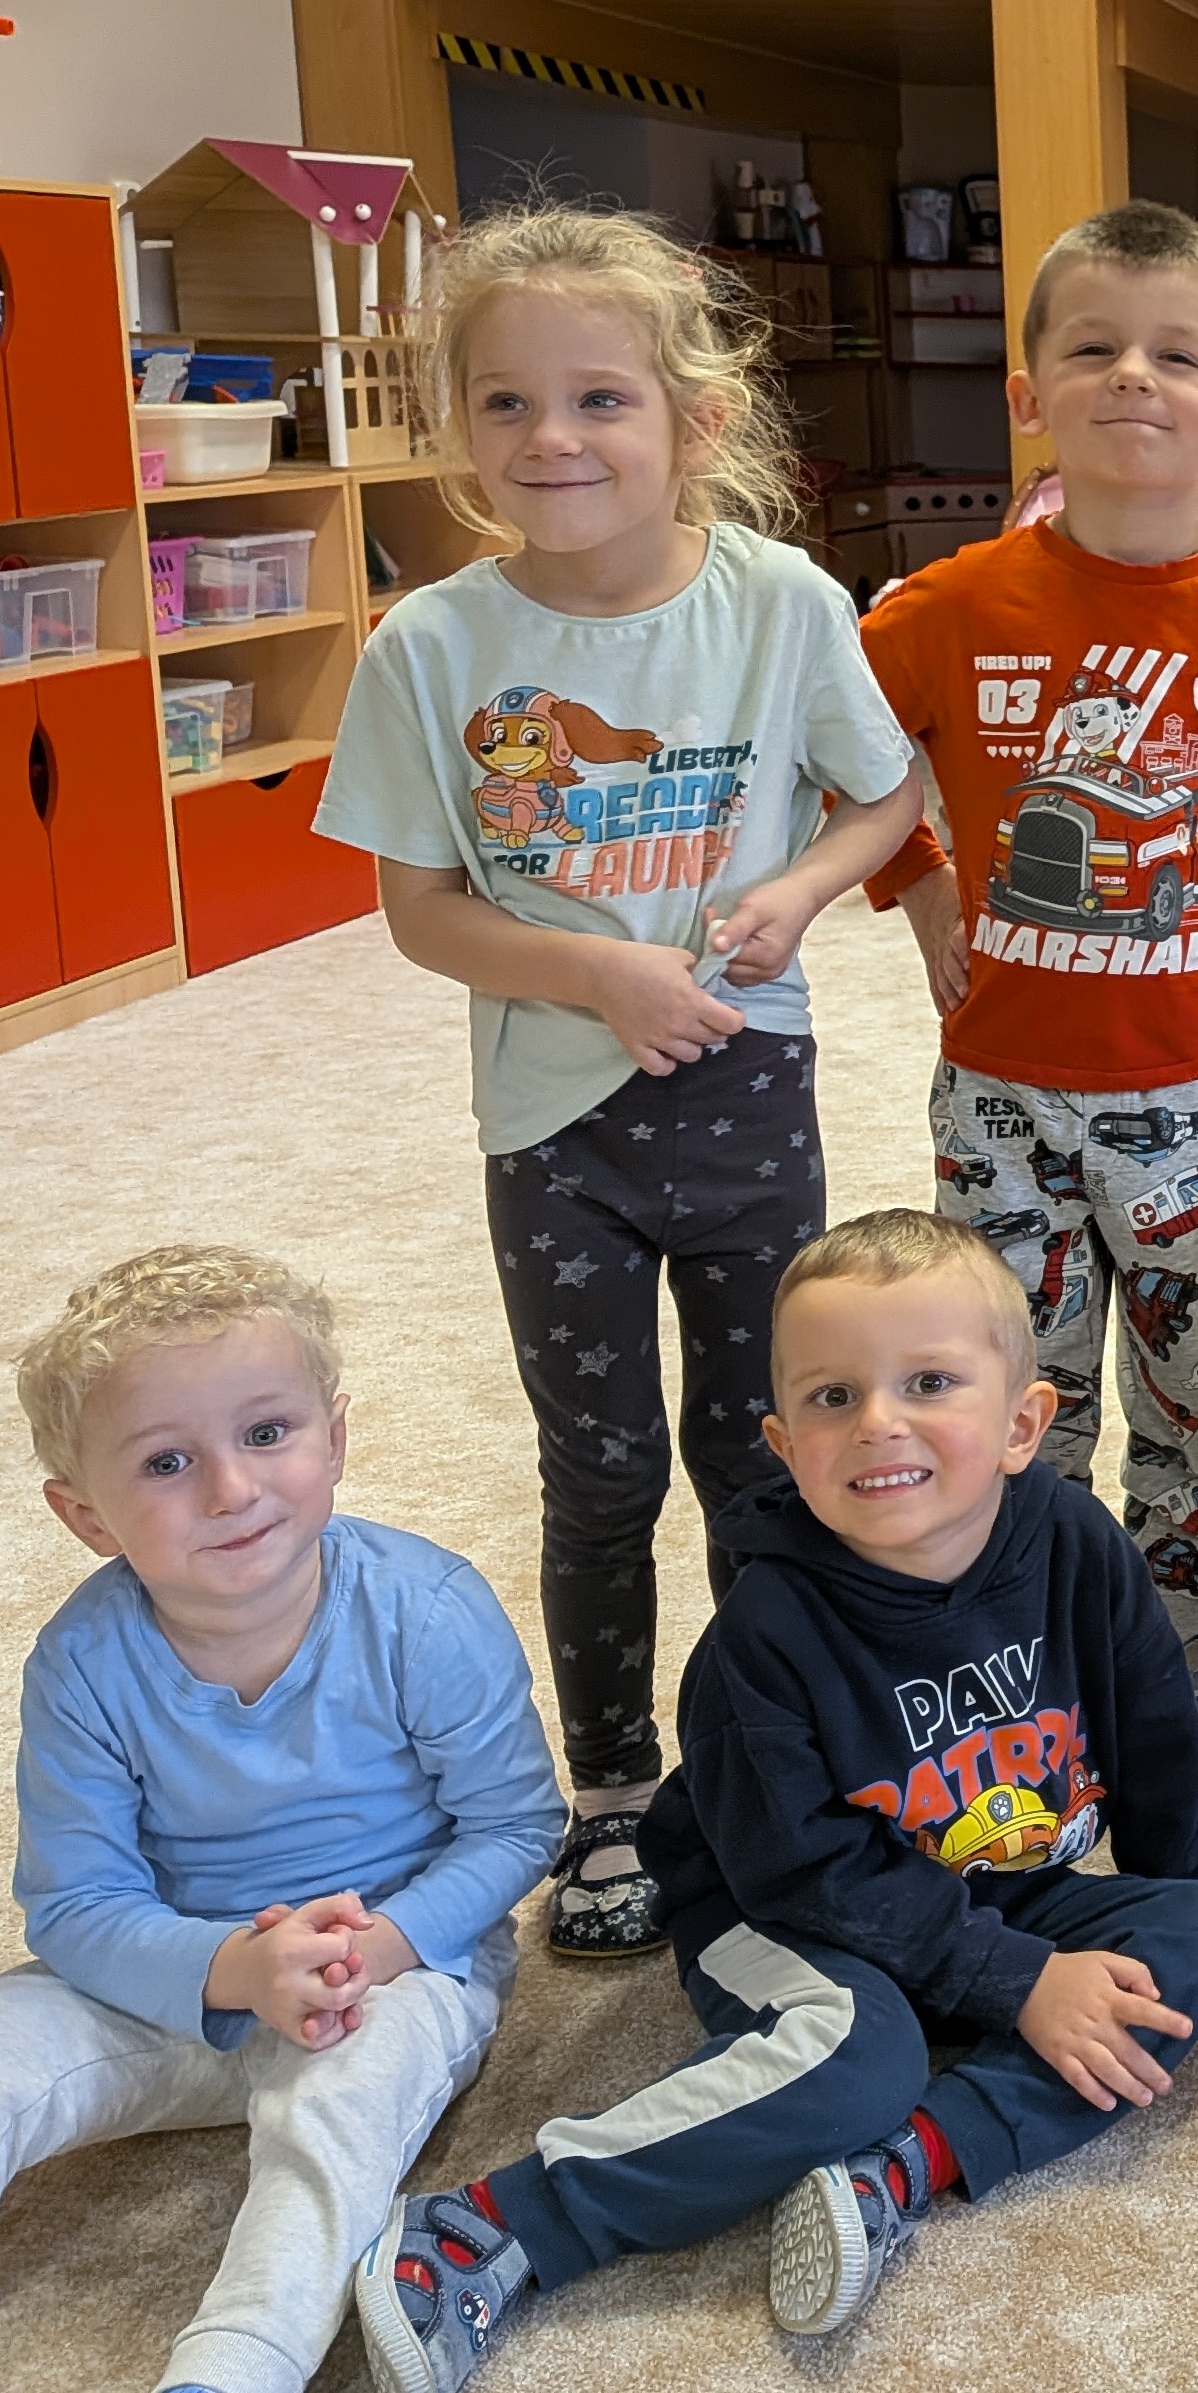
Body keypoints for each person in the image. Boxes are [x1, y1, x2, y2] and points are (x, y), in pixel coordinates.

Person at [349, 1210, 1198, 2393]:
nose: (878, 1421)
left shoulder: (1078, 1546)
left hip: (996, 1880)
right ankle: (493, 2226)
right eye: (833, 1397)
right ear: (784, 1443)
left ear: (1022, 1424)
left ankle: (905, 2165)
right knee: (856, 2062)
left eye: (929, 1383)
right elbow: (804, 1872)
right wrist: (1015, 1981)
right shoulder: (762, 1638)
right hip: (781, 1908)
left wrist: (1191, 1892)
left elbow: (1151, 1731)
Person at [319, 206, 923, 1963]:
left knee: (763, 1456)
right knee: (597, 1472)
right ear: (458, 425)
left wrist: (799, 890)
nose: (552, 439)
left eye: (600, 398)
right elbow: (420, 911)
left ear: (695, 421)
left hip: (745, 1091)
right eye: (504, 403)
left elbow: (887, 795)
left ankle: (769, 1760)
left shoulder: (782, 604)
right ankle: (609, 1792)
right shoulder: (429, 647)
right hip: (555, 1124)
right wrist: (596, 972)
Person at [0, 1249, 558, 2393]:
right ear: (85, 1516)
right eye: (165, 1463)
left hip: (391, 1969)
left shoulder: (426, 1608)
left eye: (267, 1433)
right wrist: (233, 1969)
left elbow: (516, 1826)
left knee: (342, 2115)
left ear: (336, 1439)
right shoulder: (83, 1662)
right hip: (172, 1981)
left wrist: (378, 1947)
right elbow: (74, 1902)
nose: (231, 1488)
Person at [859, 201, 1198, 1765]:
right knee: (1015, 1394)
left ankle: (1192, 1638)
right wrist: (916, 884)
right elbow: (843, 744)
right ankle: (1032, 1648)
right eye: (1093, 348)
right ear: (1029, 394)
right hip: (1000, 1097)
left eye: (1177, 354)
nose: (1133, 378)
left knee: (1189, 1386)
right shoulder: (951, 609)